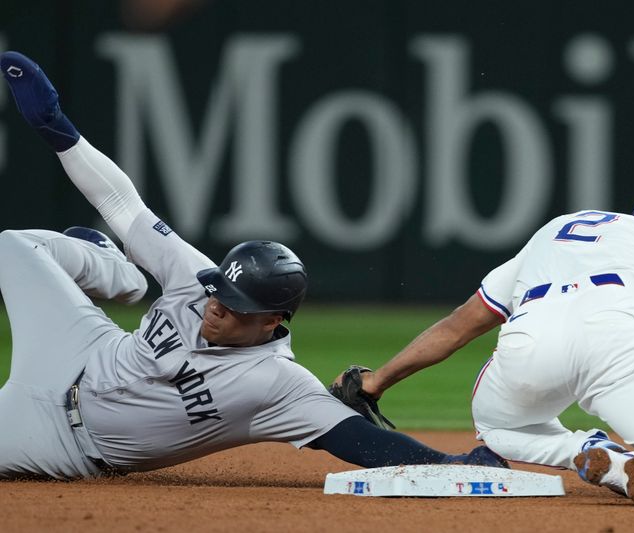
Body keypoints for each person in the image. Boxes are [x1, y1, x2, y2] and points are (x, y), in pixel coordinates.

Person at [0, 51, 506, 480]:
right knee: (12, 246)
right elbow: (122, 205)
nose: (216, 307)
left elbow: (363, 443)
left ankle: (109, 268)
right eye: (221, 292)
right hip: (78, 345)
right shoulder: (196, 277)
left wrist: (456, 465)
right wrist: (58, 130)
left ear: (272, 321)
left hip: (58, 442)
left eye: (236, 306)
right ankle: (112, 269)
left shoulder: (277, 385)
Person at [345, 198, 634, 504]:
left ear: (633, 218)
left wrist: (377, 381)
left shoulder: (558, 229)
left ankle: (591, 453)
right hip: (617, 342)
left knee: (497, 424)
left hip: (529, 343)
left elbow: (458, 325)